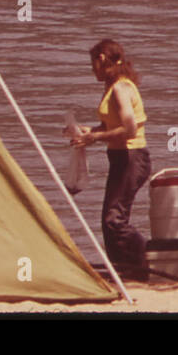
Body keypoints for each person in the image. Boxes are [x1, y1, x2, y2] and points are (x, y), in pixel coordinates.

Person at [70, 39, 151, 271]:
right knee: (109, 222)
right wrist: (87, 131)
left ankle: (145, 261)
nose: (92, 70)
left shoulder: (120, 89)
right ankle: (123, 268)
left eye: (93, 64)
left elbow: (129, 129)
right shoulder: (111, 86)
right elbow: (109, 126)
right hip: (119, 159)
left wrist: (94, 138)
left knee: (114, 220)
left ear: (102, 60)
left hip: (132, 158)